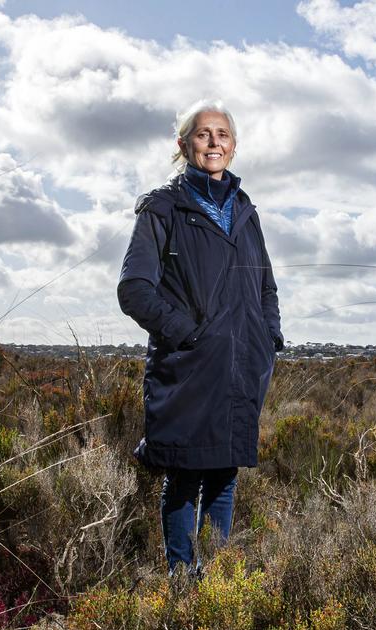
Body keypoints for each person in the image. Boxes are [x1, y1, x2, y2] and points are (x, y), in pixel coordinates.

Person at [117, 100, 283, 573]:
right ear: (183, 145)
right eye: (204, 133)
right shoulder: (163, 209)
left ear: (233, 145)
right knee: (185, 479)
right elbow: (134, 289)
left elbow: (266, 284)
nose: (214, 142)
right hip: (189, 369)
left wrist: (267, 337)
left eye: (223, 134)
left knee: (225, 479)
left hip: (240, 368)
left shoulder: (246, 210)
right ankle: (180, 584)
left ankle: (214, 585)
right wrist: (188, 335)